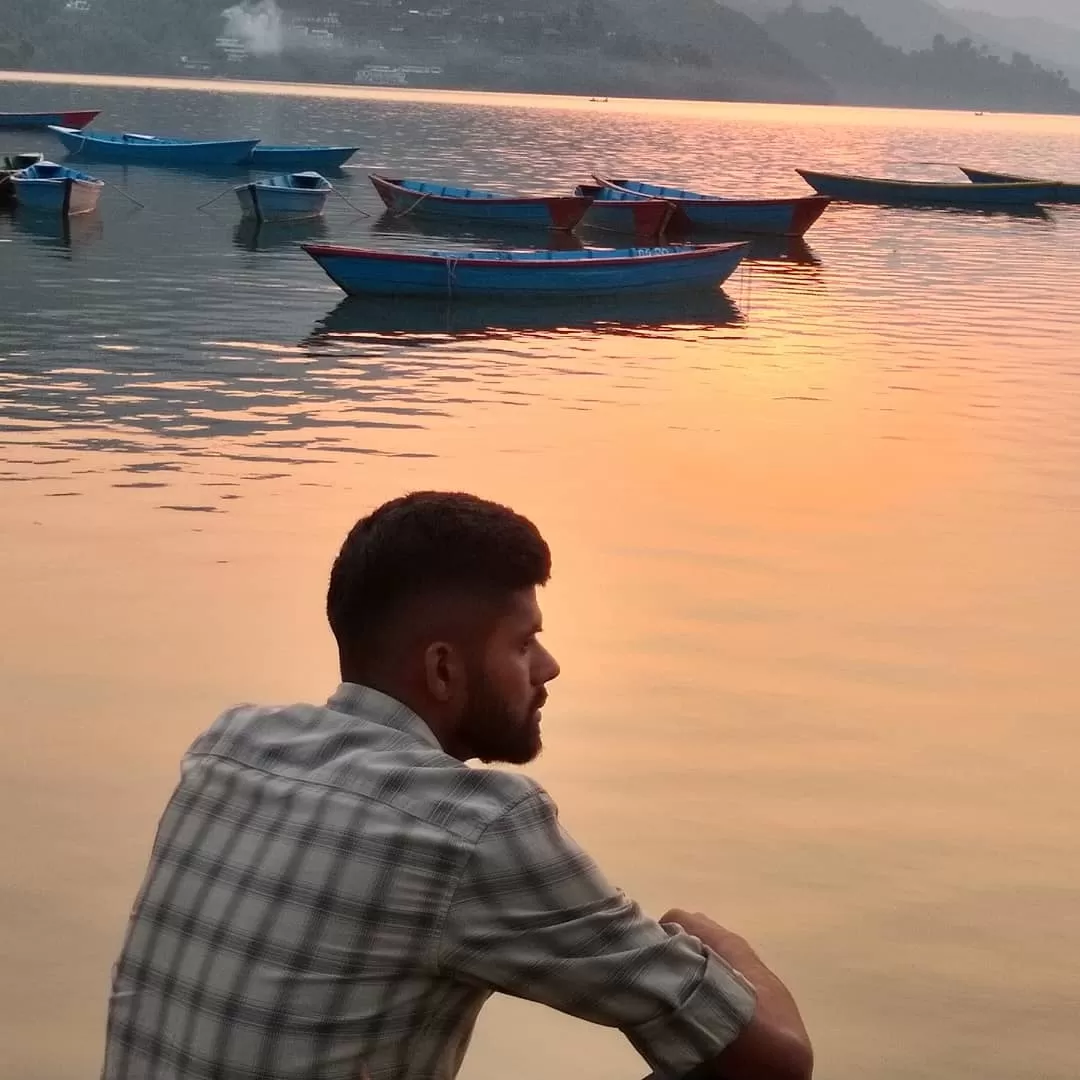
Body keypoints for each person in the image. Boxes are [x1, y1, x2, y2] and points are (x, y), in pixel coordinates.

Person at [101, 491, 812, 1080]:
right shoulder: (474, 829)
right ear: (443, 670)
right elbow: (774, 1060)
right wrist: (700, 932)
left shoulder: (229, 747)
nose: (549, 666)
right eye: (522, 642)